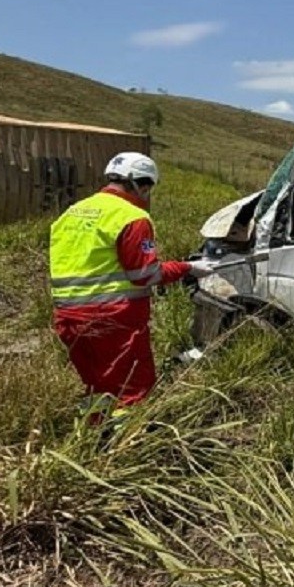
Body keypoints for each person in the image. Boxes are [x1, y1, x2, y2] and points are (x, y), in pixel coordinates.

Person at [49, 153, 214, 419]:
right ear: (143, 185)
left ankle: (92, 440)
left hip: (68, 318)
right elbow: (144, 274)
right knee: (132, 390)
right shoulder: (132, 217)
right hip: (113, 321)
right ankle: (129, 448)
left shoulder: (73, 212)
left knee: (97, 387)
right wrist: (188, 268)